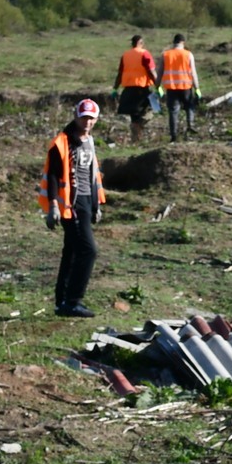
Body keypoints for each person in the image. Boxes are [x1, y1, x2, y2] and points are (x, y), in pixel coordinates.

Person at [41, 99, 107, 318]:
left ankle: (62, 301)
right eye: (84, 117)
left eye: (91, 118)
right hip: (71, 203)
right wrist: (53, 206)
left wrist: (96, 205)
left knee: (71, 250)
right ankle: (73, 301)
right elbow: (52, 175)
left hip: (87, 201)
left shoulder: (90, 141)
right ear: (76, 116)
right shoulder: (62, 142)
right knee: (88, 250)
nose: (87, 122)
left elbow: (92, 174)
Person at [114, 35, 159, 142]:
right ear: (141, 43)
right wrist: (158, 86)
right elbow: (151, 71)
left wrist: (115, 88)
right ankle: (138, 127)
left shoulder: (125, 55)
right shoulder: (145, 54)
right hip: (141, 89)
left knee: (134, 115)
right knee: (152, 110)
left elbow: (120, 74)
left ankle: (136, 139)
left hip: (128, 90)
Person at [160, 34, 201, 141]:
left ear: (173, 42)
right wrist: (197, 88)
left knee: (173, 111)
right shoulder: (188, 54)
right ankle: (190, 125)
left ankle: (174, 135)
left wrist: (157, 86)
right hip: (186, 86)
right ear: (183, 42)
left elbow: (160, 72)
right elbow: (193, 73)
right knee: (189, 106)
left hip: (171, 87)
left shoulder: (166, 54)